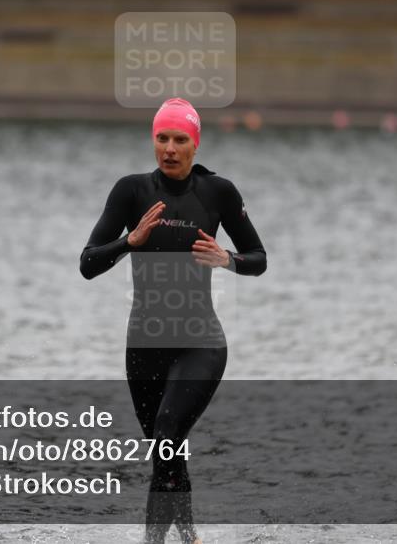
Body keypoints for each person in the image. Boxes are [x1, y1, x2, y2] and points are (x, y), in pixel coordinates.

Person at [80, 98, 267, 544]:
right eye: (161, 138)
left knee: (166, 433)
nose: (169, 147)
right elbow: (87, 263)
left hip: (201, 340)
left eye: (179, 139)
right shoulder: (131, 191)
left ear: (195, 144)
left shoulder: (218, 193)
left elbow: (259, 259)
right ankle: (188, 538)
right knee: (168, 452)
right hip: (143, 344)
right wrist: (131, 240)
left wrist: (228, 259)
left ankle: (154, 542)